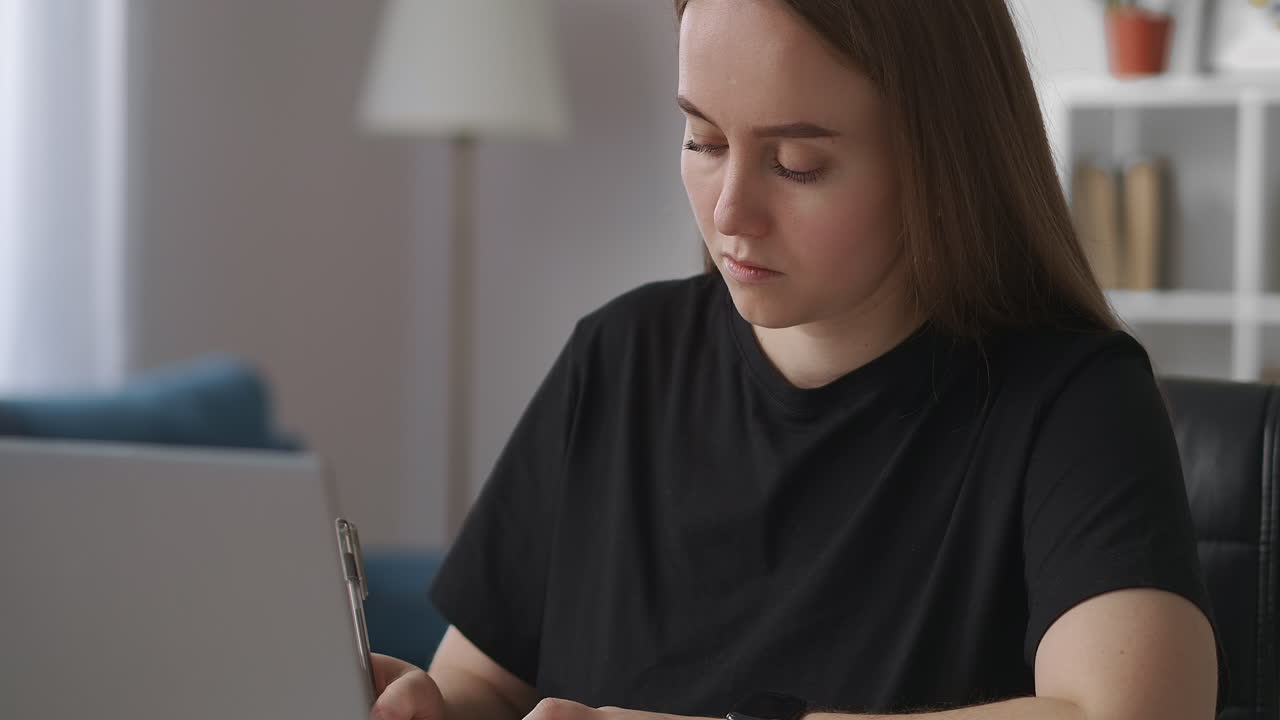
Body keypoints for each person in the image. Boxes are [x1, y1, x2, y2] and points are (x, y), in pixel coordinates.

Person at [370, 1, 1224, 719]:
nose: (731, 210)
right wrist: (426, 705)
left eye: (797, 164)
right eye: (702, 141)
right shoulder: (619, 356)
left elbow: (1122, 711)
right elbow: (479, 680)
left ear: (941, 163)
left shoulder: (1075, 402)